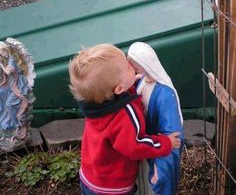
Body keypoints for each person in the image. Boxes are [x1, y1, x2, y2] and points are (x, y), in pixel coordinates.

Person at [68, 43, 181, 195]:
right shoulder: (123, 115)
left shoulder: (96, 105)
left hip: (90, 177)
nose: (131, 65)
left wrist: (131, 81)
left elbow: (120, 93)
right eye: (128, 67)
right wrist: (165, 142)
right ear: (119, 89)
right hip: (113, 187)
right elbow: (136, 145)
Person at [128, 42, 184, 195]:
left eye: (134, 66)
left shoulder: (165, 94)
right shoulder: (140, 81)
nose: (131, 70)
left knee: (151, 187)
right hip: (143, 147)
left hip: (155, 153)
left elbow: (173, 136)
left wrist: (161, 168)